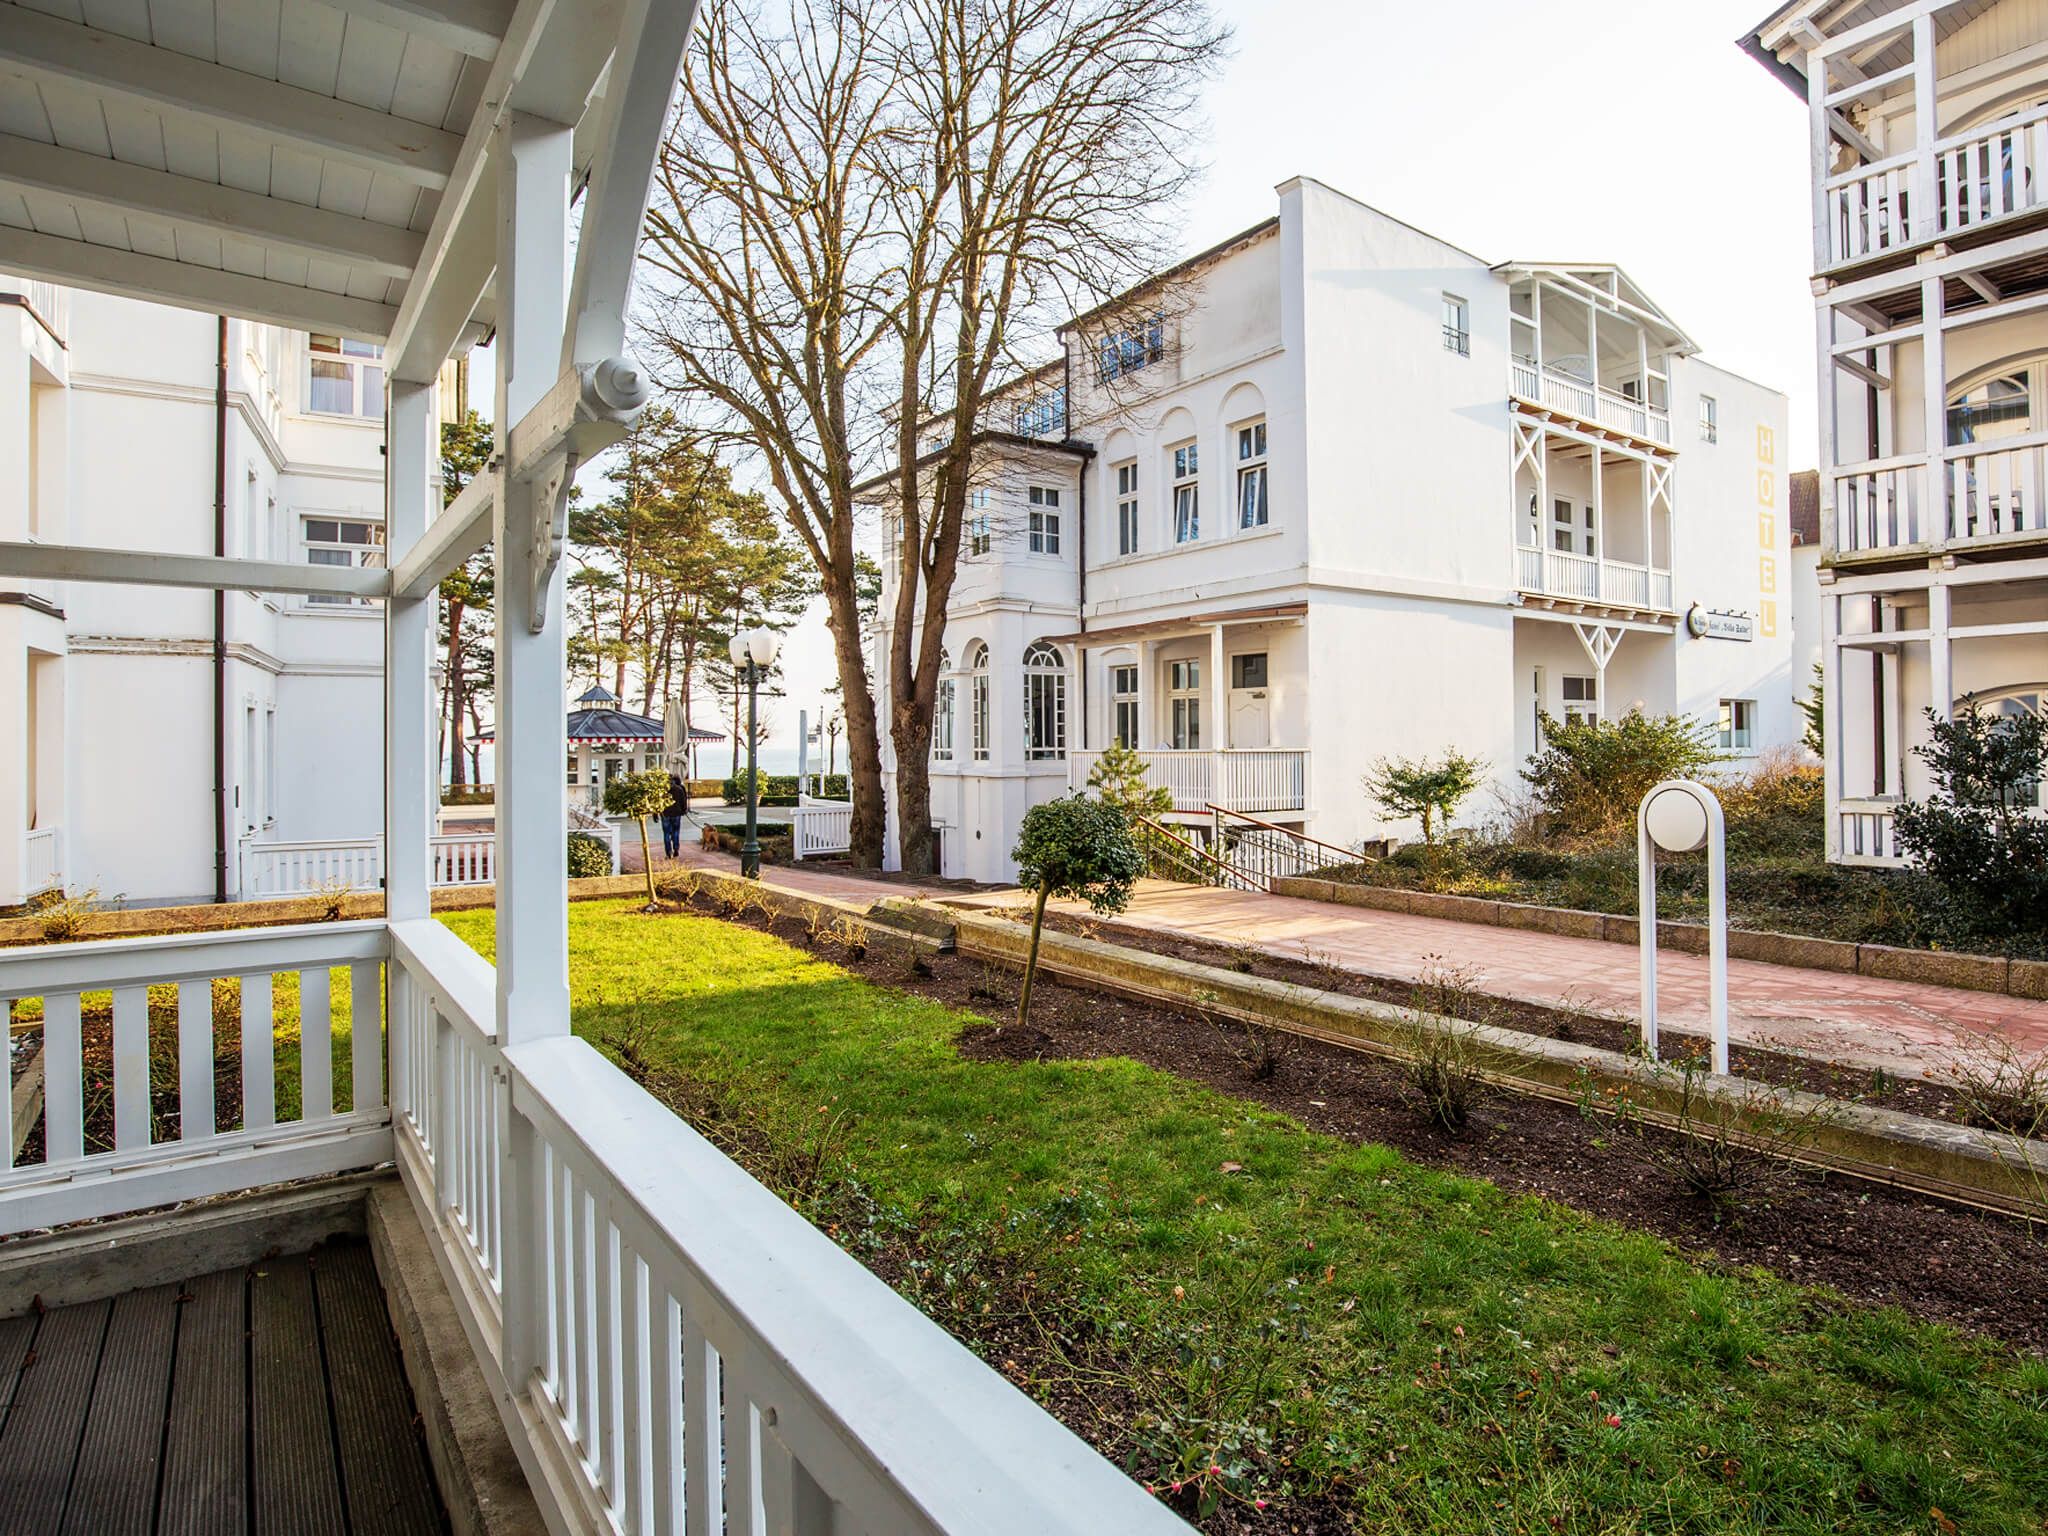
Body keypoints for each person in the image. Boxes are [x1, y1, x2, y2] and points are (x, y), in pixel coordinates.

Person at [661, 772, 689, 860]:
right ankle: (676, 849)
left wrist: (655, 814)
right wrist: (684, 810)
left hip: (665, 814)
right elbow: (683, 801)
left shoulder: (662, 790)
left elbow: (657, 803)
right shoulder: (679, 789)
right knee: (676, 832)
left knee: (666, 834)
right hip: (677, 814)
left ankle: (668, 852)